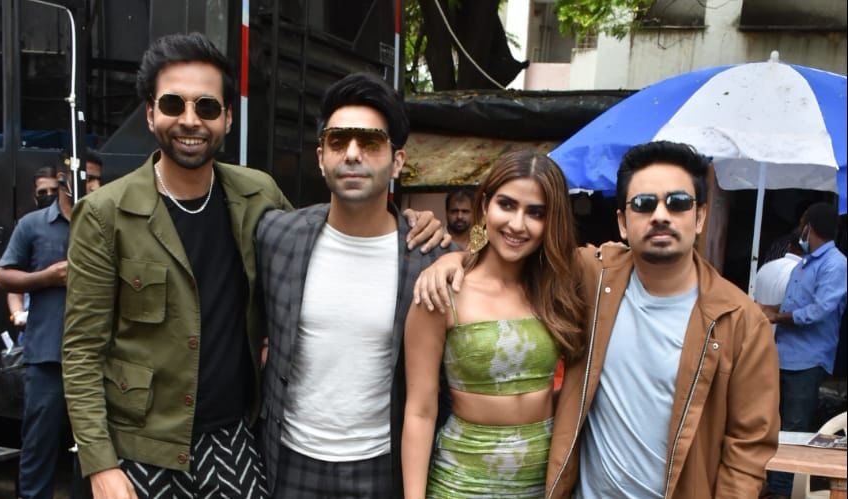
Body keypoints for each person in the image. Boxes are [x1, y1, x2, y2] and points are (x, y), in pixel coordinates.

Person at [62, 33, 444, 499]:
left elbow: (337, 225)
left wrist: (433, 235)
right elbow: (81, 351)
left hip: (235, 441)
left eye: (206, 107)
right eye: (172, 104)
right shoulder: (106, 213)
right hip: (140, 449)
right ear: (149, 112)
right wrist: (100, 463)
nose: (189, 120)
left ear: (226, 117)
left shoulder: (257, 197)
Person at [416, 141, 781, 498]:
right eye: (643, 204)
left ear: (700, 216)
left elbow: (748, 450)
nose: (660, 215)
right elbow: (512, 253)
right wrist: (453, 258)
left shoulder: (740, 323)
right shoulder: (594, 277)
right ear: (622, 221)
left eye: (678, 203)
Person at [256, 72, 451, 499]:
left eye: (371, 143)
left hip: (379, 467)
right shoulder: (276, 237)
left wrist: (456, 251)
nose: (353, 154)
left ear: (397, 161)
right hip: (288, 461)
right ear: (320, 155)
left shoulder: (428, 259)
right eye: (339, 141)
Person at [402, 151, 585, 498]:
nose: (517, 224)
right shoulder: (443, 290)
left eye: (535, 213)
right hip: (462, 481)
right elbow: (420, 411)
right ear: (484, 204)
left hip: (543, 482)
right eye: (507, 204)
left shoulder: (558, 288)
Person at [0, 159, 75, 499]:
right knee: (39, 447)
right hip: (46, 353)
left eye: (97, 179)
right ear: (64, 180)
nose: (91, 185)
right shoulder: (32, 225)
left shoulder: (108, 224)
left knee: (97, 451)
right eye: (84, 177)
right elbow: (5, 276)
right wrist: (47, 278)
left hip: (100, 355)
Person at [761, 201, 848, 499]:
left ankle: (781, 492)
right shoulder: (805, 262)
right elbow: (792, 307)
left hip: (808, 361)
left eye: (802, 224)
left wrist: (779, 317)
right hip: (783, 356)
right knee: (772, 424)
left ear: (810, 227)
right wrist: (766, 310)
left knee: (794, 431)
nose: (800, 230)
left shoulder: (836, 264)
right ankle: (771, 486)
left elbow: (820, 310)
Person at [6, 166, 61, 332]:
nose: (49, 196)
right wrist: (18, 314)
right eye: (42, 192)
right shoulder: (28, 227)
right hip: (35, 322)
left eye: (54, 190)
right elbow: (12, 282)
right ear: (35, 197)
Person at [754, 230, 802, 334]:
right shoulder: (802, 277)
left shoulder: (765, 268)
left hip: (758, 338)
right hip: (783, 342)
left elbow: (755, 301)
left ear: (789, 247)